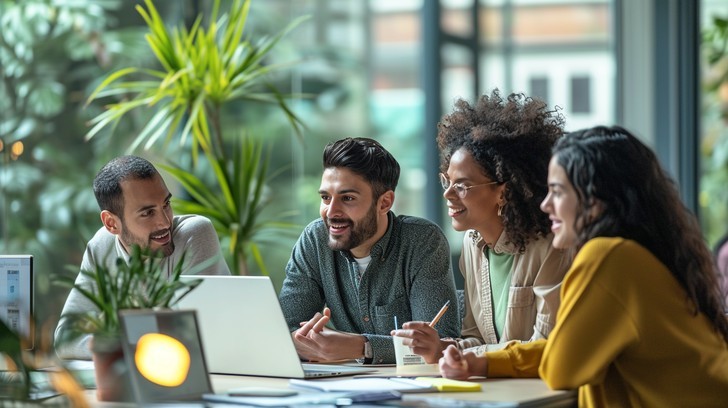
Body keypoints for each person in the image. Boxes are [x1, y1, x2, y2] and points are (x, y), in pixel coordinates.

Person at [439, 126, 728, 406]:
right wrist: (485, 361)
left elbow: (562, 366)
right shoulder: (640, 253)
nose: (545, 204)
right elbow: (567, 348)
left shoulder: (607, 257)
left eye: (558, 192)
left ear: (597, 201)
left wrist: (486, 360)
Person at [393, 90, 570, 363]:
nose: (448, 194)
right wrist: (442, 346)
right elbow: (478, 338)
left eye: (462, 185)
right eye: (446, 181)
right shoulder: (473, 244)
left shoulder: (550, 246)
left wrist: (465, 355)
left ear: (503, 192)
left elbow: (545, 348)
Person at [278, 137, 460, 364]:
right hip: (343, 387)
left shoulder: (422, 241)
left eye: (347, 198)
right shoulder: (315, 240)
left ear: (384, 203)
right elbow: (285, 331)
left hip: (414, 389)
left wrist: (362, 347)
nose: (331, 211)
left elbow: (439, 344)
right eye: (326, 197)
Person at [54, 155, 230, 359]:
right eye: (147, 213)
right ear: (111, 223)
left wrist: (113, 337)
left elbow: (192, 340)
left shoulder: (194, 233)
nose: (165, 223)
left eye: (166, 204)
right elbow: (65, 338)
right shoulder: (101, 247)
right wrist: (122, 342)